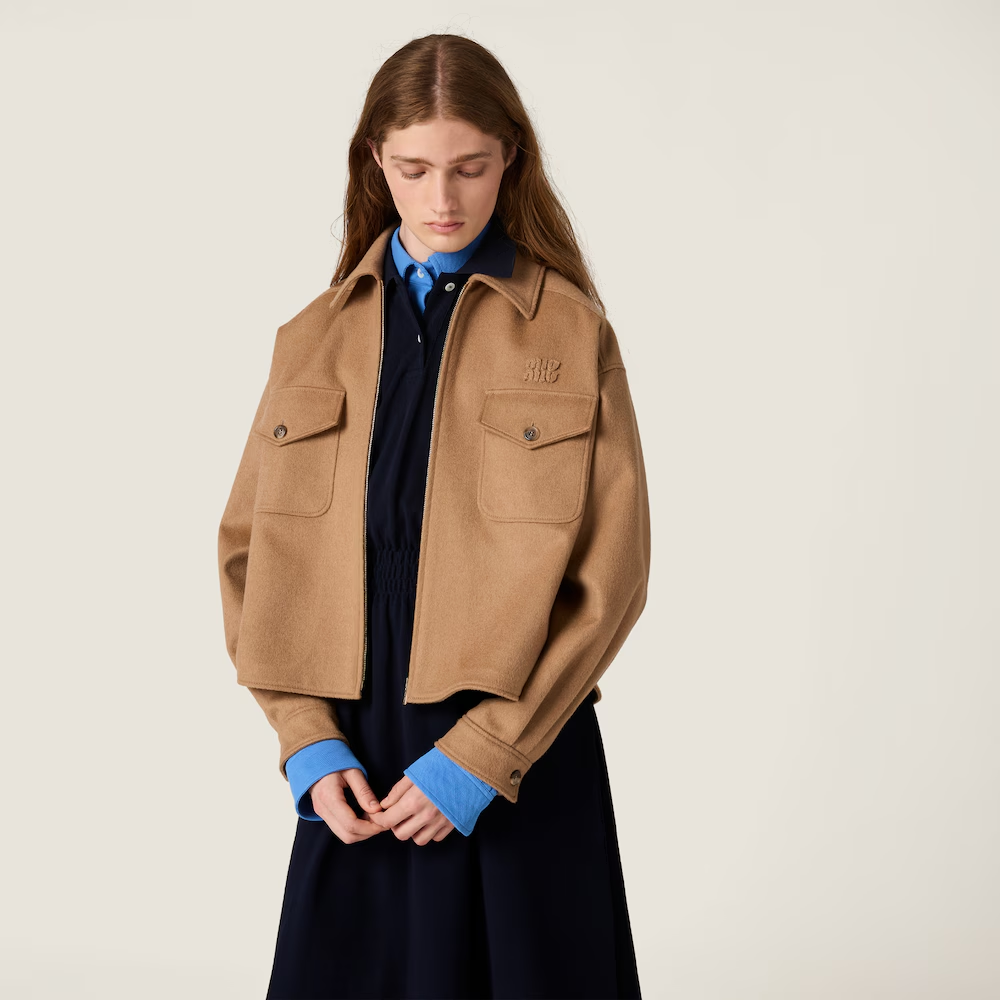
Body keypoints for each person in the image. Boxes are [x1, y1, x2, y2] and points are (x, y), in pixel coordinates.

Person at [217, 32, 651, 1000]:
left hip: (520, 751)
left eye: (470, 167)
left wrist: (482, 757)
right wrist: (305, 738)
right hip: (356, 762)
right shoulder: (311, 337)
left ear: (511, 159)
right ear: (375, 160)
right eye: (414, 169)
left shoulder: (571, 332)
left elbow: (610, 576)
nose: (442, 198)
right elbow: (250, 554)